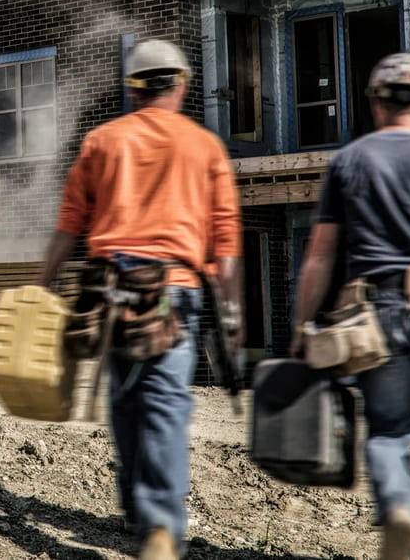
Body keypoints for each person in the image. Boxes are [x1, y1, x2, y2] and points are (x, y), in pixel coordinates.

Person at [38, 39, 242, 560]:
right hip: (172, 292)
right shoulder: (204, 147)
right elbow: (226, 238)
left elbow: (70, 224)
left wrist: (43, 282)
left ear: (132, 89)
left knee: (124, 398)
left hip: (109, 290)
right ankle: (158, 525)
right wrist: (232, 309)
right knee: (165, 402)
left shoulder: (103, 141)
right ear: (180, 85)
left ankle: (137, 508)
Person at [293, 53, 410, 560]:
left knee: (389, 430)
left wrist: (305, 325)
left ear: (375, 103)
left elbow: (320, 256)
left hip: (379, 312)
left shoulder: (350, 161)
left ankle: (396, 507)